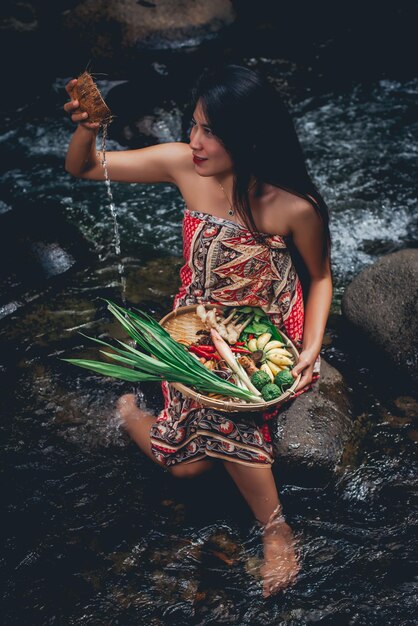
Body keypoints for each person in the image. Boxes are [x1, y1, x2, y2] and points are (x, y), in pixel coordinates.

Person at [64, 64, 333, 597]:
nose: (195, 141)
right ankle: (130, 413)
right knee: (183, 469)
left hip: (266, 329)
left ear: (249, 136)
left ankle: (275, 528)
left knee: (213, 428)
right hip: (197, 324)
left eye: (210, 131)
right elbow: (86, 169)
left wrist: (311, 347)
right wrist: (88, 127)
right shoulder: (183, 166)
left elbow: (321, 277)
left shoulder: (294, 206)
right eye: (193, 125)